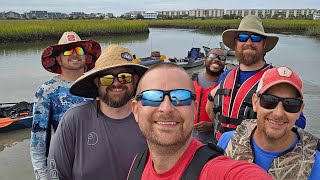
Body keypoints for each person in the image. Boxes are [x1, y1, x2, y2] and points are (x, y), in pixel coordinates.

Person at [128, 63, 273, 180]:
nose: (166, 108)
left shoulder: (220, 172)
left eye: (181, 97)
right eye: (152, 97)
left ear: (194, 108)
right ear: (135, 110)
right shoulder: (138, 163)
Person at [47, 44, 148, 180]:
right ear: (97, 82)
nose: (116, 83)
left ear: (135, 81)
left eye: (124, 77)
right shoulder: (74, 120)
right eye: (107, 78)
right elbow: (57, 175)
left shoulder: (149, 119)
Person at [206, 15, 306, 142]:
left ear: (264, 44)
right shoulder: (226, 76)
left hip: (253, 152)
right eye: (242, 38)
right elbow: (213, 114)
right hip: (222, 146)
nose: (248, 42)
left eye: (255, 38)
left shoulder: (276, 79)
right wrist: (210, 96)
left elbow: (299, 122)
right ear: (236, 43)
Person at [218, 66, 320, 179]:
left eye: (290, 104)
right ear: (255, 102)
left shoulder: (316, 163)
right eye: (269, 101)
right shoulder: (227, 141)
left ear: (300, 110)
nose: (278, 113)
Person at [30, 31, 101, 180]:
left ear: (86, 57)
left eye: (79, 50)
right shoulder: (47, 91)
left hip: (100, 162)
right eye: (68, 51)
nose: (74, 54)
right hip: (65, 165)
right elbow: (39, 140)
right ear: (59, 59)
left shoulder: (99, 85)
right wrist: (42, 176)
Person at [192, 48, 226, 144]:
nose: (216, 59)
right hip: (190, 136)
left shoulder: (226, 85)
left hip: (215, 140)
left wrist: (212, 125)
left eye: (222, 58)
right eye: (212, 56)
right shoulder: (191, 80)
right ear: (204, 61)